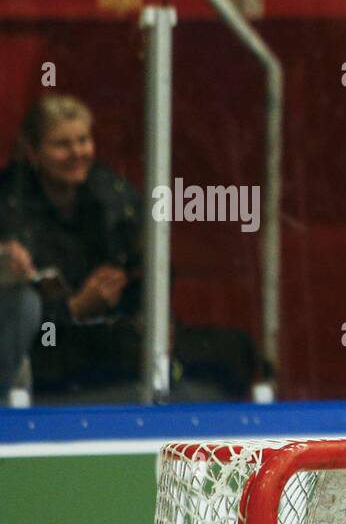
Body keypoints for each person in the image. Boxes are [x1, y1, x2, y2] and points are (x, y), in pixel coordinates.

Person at [0, 94, 257, 402]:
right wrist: (76, 307)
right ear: (33, 151)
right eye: (62, 144)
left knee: (236, 348)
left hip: (118, 332)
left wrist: (152, 309)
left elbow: (156, 273)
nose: (77, 153)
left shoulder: (113, 195)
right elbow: (18, 315)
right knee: (120, 348)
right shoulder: (10, 204)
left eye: (83, 140)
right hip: (58, 343)